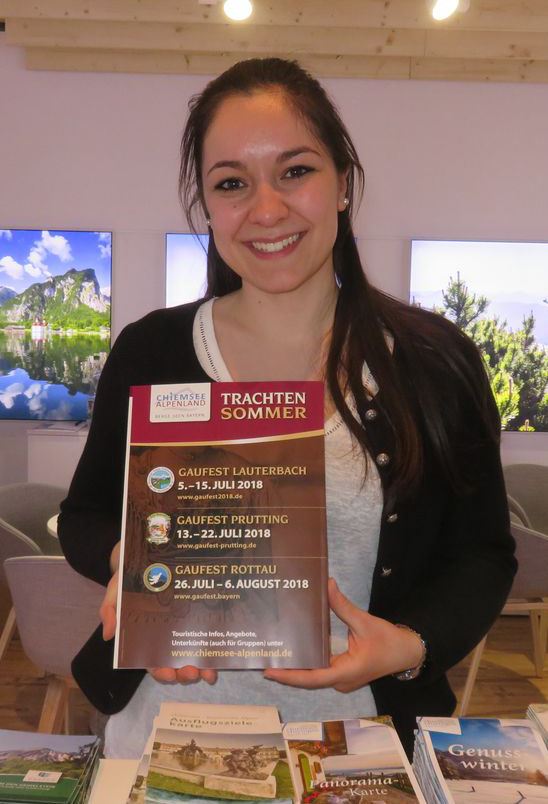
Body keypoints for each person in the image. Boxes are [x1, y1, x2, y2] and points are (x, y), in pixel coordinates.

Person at [58, 57, 516, 759]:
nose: (266, 210)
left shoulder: (433, 361)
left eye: (295, 171)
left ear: (343, 183)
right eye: (232, 183)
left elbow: (483, 553)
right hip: (162, 732)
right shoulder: (151, 350)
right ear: (208, 206)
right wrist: (137, 560)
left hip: (360, 748)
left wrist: (410, 644)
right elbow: (85, 515)